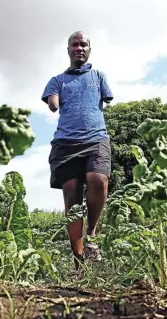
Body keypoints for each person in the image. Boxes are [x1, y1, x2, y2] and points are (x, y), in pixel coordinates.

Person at [41, 31, 113, 270]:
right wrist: (54, 100)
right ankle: (78, 262)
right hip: (66, 144)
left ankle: (91, 235)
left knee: (99, 180)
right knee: (71, 196)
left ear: (89, 50)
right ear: (68, 50)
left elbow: (107, 98)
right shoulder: (57, 80)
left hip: (96, 139)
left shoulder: (99, 76)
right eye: (75, 44)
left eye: (84, 44)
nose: (79, 48)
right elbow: (53, 103)